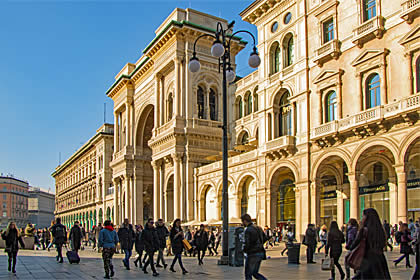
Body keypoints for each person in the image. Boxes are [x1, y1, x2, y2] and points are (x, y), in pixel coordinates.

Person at [348, 208, 391, 279]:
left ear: (367, 217)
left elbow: (353, 245)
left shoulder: (364, 230)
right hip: (379, 260)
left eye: (363, 216)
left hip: (367, 260)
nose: (362, 218)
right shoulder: (380, 230)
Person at [241, 214, 267, 280]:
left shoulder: (248, 230)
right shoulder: (259, 228)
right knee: (255, 272)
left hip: (252, 253)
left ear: (245, 221)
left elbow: (248, 243)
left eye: (242, 221)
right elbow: (265, 238)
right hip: (260, 252)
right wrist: (260, 244)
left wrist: (244, 250)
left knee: (248, 273)